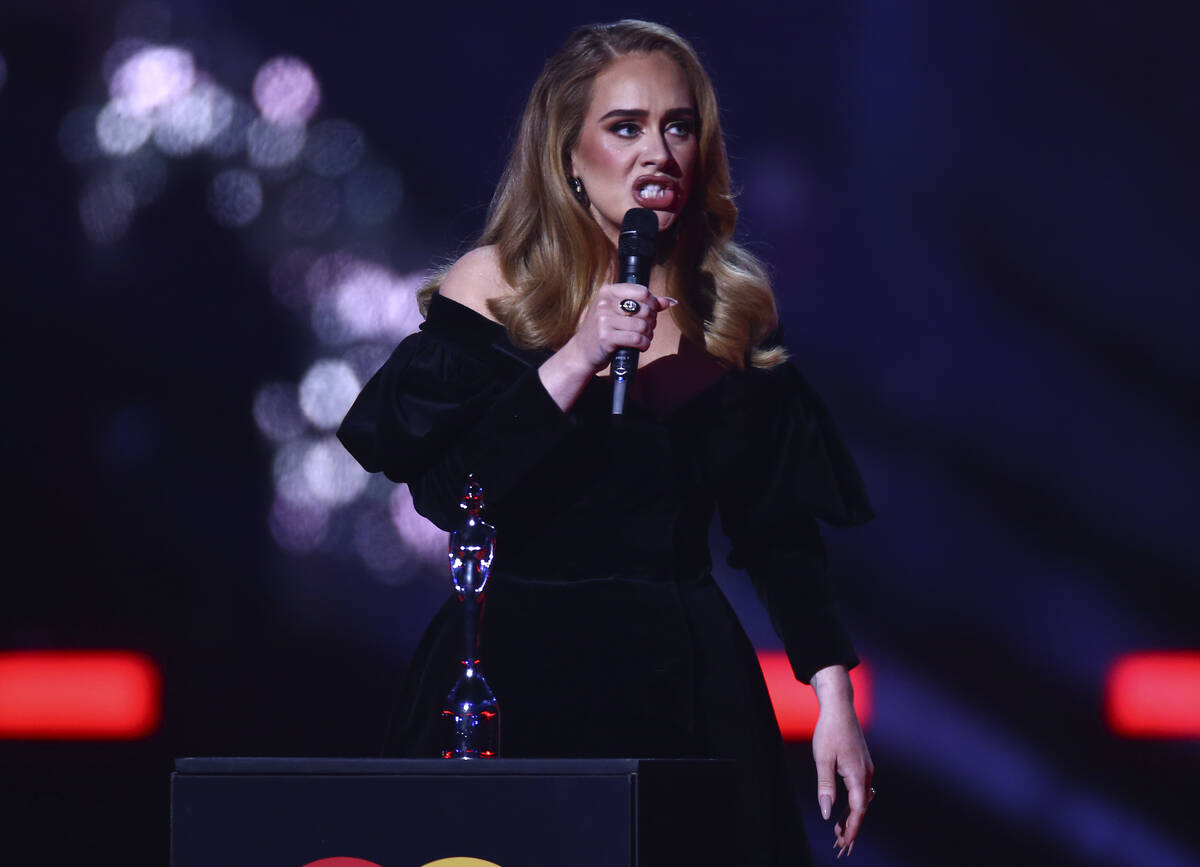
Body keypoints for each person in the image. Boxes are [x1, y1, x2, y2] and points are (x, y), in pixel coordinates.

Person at [338, 19, 875, 864]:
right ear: (569, 155)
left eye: (679, 125)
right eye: (625, 127)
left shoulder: (727, 309)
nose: (657, 151)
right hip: (516, 671)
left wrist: (834, 702)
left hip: (685, 684)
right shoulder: (497, 287)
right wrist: (577, 356)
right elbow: (454, 493)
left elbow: (776, 533)